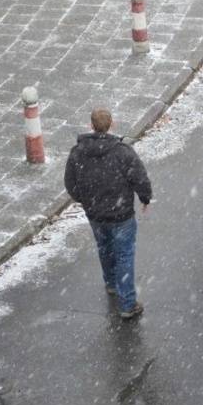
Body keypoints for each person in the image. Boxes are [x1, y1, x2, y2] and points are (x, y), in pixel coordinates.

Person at [64, 108, 152, 320]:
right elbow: (139, 178)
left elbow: (70, 183)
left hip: (95, 215)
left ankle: (111, 283)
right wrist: (145, 197)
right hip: (121, 216)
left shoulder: (77, 153)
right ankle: (127, 304)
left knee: (104, 248)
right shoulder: (122, 152)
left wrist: (84, 200)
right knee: (124, 256)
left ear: (91, 125)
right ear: (112, 124)